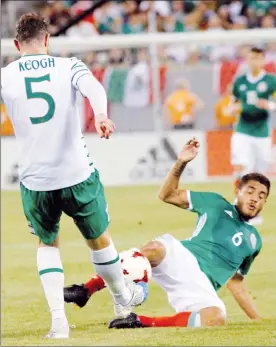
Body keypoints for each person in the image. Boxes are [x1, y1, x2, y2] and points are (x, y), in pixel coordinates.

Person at [0, 13, 146, 339]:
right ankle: (123, 301)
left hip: (35, 180)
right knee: (98, 239)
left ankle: (59, 324)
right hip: (77, 173)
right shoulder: (69, 66)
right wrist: (103, 116)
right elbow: (94, 88)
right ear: (47, 40)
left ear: (15, 44)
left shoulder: (5, 76)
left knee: (47, 243)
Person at [64, 138, 270, 329]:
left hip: (202, 285)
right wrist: (181, 162)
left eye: (261, 196)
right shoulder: (215, 203)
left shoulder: (255, 242)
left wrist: (258, 321)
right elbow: (167, 194)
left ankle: (139, 322)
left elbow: (236, 282)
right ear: (238, 191)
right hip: (184, 257)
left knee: (216, 317)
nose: (254, 199)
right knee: (153, 250)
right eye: (250, 191)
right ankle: (85, 290)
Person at [230, 46, 276, 225]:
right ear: (247, 60)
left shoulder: (271, 81)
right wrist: (232, 107)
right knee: (243, 168)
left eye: (257, 58)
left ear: (263, 60)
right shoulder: (240, 81)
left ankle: (252, 211)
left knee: (259, 173)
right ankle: (238, 206)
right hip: (242, 130)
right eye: (250, 58)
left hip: (262, 133)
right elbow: (233, 101)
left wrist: (270, 106)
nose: (253, 62)